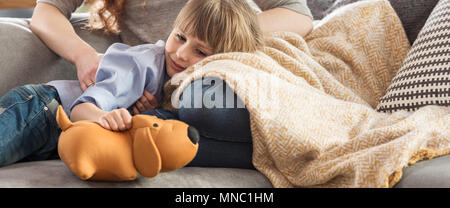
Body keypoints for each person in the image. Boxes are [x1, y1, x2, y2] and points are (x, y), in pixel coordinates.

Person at [30, 0, 314, 169]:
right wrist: (85, 57)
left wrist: (222, 38)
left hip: (217, 75)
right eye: (181, 37)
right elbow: (45, 13)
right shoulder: (149, 62)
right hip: (157, 92)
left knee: (195, 102)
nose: (181, 51)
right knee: (164, 117)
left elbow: (298, 16)